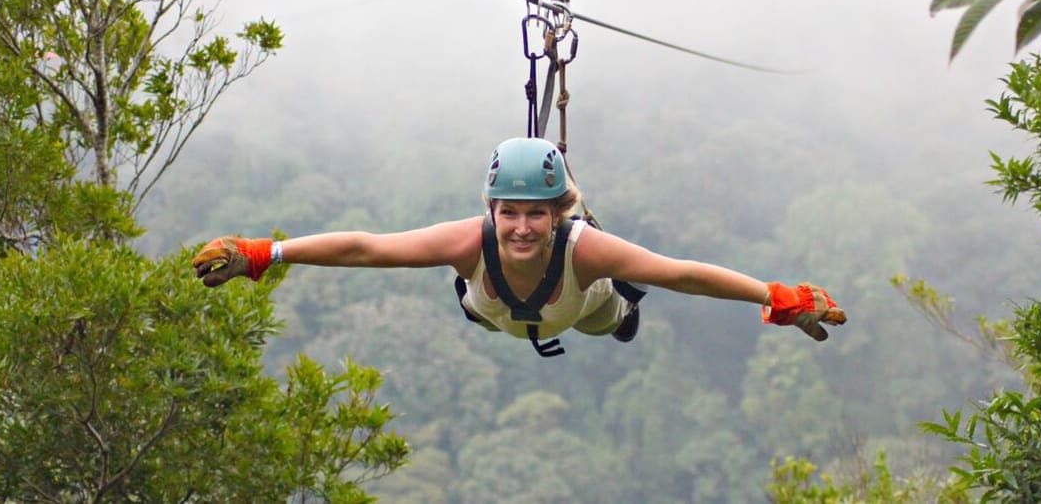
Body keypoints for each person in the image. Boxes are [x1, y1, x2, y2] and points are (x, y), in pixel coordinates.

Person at [192, 137, 846, 356]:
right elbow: (366, 247)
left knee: (610, 315)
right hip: (491, 307)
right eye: (510, 213)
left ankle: (622, 311)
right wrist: (263, 254)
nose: (523, 227)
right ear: (492, 209)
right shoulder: (465, 241)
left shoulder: (582, 247)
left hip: (582, 305)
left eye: (537, 213)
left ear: (558, 212)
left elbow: (682, 273)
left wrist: (774, 297)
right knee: (484, 298)